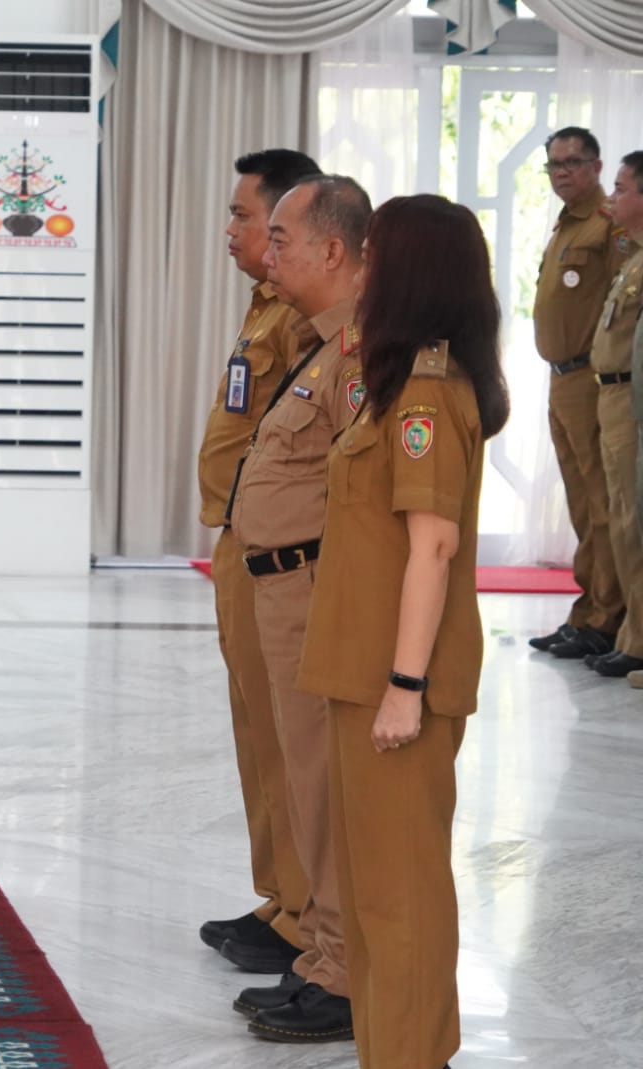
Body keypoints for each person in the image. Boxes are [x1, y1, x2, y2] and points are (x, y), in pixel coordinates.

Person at [299, 194, 510, 1069]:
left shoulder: (427, 388)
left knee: (402, 896)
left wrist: (406, 686)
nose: (366, 268)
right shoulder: (399, 378)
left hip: (398, 680)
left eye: (379, 254)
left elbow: (433, 546)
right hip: (362, 668)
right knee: (373, 893)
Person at [224, 175, 370, 1044]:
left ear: (333, 251)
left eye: (281, 237)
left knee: (323, 785)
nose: (265, 252)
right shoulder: (315, 344)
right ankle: (319, 950)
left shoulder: (355, 358)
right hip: (278, 583)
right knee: (300, 779)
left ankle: (345, 971)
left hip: (314, 589)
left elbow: (366, 504)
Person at [195, 150, 320, 978]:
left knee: (289, 735)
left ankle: (309, 911)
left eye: (247, 216)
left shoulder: (305, 318)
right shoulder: (262, 307)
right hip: (240, 542)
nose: (233, 229)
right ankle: (281, 894)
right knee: (256, 731)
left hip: (280, 554)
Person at [528, 127, 630, 659]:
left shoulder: (610, 226)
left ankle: (606, 618)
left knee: (600, 504)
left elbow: (621, 307)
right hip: (560, 378)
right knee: (578, 503)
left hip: (591, 380)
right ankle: (588, 607)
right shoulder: (566, 225)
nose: (562, 171)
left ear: (595, 165)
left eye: (572, 162)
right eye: (554, 165)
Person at [586, 151, 643, 679]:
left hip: (632, 401)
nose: (612, 197)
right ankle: (632, 634)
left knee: (633, 522)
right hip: (611, 397)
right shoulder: (634, 256)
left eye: (622, 188)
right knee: (622, 520)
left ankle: (639, 640)